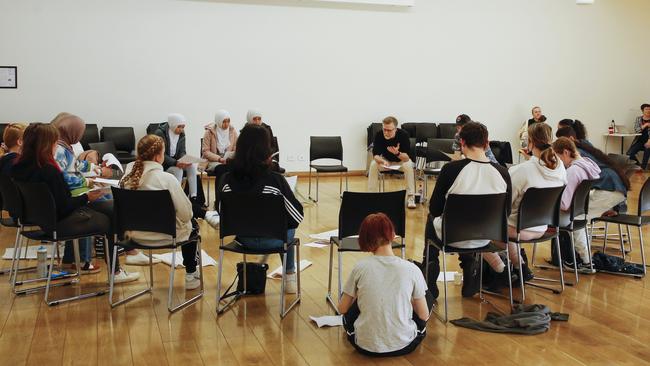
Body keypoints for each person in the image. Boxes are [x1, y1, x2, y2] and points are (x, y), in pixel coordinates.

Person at [11, 123, 139, 283]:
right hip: (62, 222)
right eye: (54, 143)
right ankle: (116, 270)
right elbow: (65, 206)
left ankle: (124, 254)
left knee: (112, 207)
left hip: (42, 220)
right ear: (46, 144)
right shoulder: (49, 170)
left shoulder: (18, 168)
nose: (56, 147)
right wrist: (87, 197)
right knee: (112, 216)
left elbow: (56, 201)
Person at [423, 122, 512, 298]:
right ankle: (471, 270)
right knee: (471, 222)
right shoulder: (502, 172)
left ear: (462, 142)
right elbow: (506, 212)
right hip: (486, 238)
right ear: (487, 144)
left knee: (431, 221)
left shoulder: (451, 170)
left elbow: (435, 208)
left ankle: (429, 285)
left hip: (453, 237)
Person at [217, 124, 303, 293]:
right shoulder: (275, 181)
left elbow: (222, 212)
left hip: (242, 240)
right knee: (290, 229)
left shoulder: (226, 180)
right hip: (274, 239)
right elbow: (297, 217)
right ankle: (290, 276)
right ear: (266, 150)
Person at [483, 123, 566, 290]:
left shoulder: (522, 170)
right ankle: (521, 268)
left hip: (518, 229)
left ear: (530, 142)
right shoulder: (560, 167)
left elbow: (504, 205)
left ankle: (501, 271)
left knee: (476, 227)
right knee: (509, 223)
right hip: (543, 226)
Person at [340, 213, 430, 357]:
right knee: (422, 295)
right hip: (405, 345)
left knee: (351, 294)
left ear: (364, 240)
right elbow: (424, 315)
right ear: (393, 235)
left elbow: (342, 308)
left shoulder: (360, 267)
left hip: (364, 346)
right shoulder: (412, 268)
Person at [120, 135, 201, 290]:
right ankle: (191, 274)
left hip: (133, 238)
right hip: (165, 237)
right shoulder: (167, 179)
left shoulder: (127, 177)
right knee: (193, 225)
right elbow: (186, 214)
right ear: (158, 156)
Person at [556, 122, 629, 215]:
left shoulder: (578, 155)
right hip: (615, 186)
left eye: (562, 140)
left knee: (576, 216)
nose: (561, 144)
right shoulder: (584, 143)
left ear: (571, 139)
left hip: (609, 188)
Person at [552, 137, 601, 273]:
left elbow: (564, 204)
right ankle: (582, 259)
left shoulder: (573, 172)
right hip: (581, 211)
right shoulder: (587, 163)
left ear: (566, 153)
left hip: (569, 215)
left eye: (558, 158)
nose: (559, 163)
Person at [368, 116, 417, 209]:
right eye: (384, 129)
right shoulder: (379, 135)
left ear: (395, 129)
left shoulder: (403, 135)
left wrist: (397, 153)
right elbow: (376, 156)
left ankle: (411, 197)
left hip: (401, 162)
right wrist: (382, 161)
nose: (386, 132)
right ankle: (372, 196)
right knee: (373, 164)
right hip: (386, 161)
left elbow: (406, 158)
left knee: (408, 165)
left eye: (389, 130)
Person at [154, 113, 199, 202]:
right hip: (164, 164)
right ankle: (177, 197)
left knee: (191, 167)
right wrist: (176, 163)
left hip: (176, 162)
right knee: (178, 170)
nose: (181, 130)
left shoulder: (182, 134)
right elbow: (160, 154)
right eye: (179, 127)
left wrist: (184, 159)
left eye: (183, 127)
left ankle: (194, 196)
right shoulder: (160, 133)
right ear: (173, 125)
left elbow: (182, 151)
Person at [626, 104, 650, 169]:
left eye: (649, 109)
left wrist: (649, 141)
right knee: (629, 154)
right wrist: (645, 125)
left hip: (648, 141)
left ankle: (643, 169)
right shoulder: (639, 119)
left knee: (647, 151)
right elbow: (637, 130)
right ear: (642, 111)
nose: (648, 110)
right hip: (639, 141)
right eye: (646, 109)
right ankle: (639, 167)